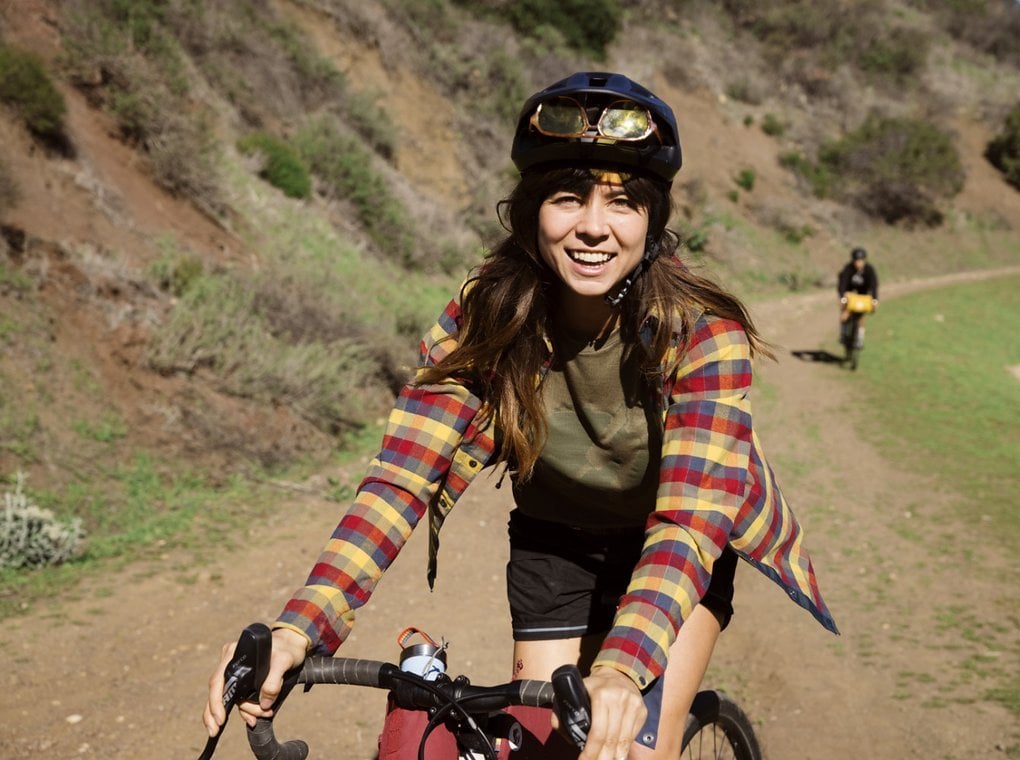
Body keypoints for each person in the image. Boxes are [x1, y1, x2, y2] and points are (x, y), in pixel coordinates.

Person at [203, 71, 837, 760]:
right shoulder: (487, 316)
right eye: (568, 198)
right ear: (532, 212)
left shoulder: (702, 334)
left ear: (652, 222)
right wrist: (302, 626)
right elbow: (400, 481)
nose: (593, 226)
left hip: (675, 542)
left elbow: (689, 520)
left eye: (622, 203)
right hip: (556, 542)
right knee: (549, 753)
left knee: (624, 749)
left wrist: (622, 672)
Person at [837, 246, 879, 348]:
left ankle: (860, 339)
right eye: (856, 261)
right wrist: (842, 297)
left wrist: (874, 299)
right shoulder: (848, 269)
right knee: (845, 312)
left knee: (861, 317)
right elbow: (842, 283)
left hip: (862, 295)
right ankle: (843, 333)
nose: (858, 263)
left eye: (860, 261)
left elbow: (873, 285)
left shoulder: (869, 270)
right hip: (849, 293)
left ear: (864, 260)